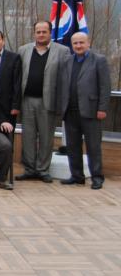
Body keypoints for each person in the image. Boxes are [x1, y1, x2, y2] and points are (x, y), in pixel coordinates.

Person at [16, 21, 70, 182]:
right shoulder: (23, 50)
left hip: (48, 101)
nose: (41, 34)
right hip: (27, 100)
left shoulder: (63, 51)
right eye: (38, 32)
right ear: (34, 33)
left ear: (50, 33)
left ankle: (42, 170)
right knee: (28, 137)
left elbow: (66, 79)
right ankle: (29, 169)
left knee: (46, 138)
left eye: (44, 31)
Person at [55, 32, 111, 189]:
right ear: (72, 45)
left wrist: (102, 108)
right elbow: (61, 86)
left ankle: (97, 177)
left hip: (91, 111)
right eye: (75, 43)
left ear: (88, 43)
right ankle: (77, 176)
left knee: (93, 147)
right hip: (70, 111)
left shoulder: (99, 60)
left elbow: (105, 86)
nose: (78, 46)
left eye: (81, 42)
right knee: (73, 147)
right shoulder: (67, 61)